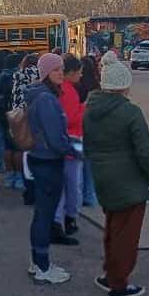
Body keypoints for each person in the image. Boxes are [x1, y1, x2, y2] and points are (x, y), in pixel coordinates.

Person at [83, 56, 149, 296]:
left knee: (113, 229)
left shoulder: (90, 110)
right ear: (124, 84)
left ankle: (110, 273)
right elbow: (144, 151)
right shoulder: (130, 112)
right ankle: (119, 284)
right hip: (130, 181)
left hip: (103, 178)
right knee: (127, 235)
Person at [25, 53, 74, 284]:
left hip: (40, 158)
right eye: (56, 70)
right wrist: (71, 148)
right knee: (45, 214)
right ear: (45, 73)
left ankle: (38, 261)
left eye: (62, 69)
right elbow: (55, 137)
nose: (61, 73)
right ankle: (43, 266)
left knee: (41, 213)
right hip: (48, 160)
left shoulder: (41, 95)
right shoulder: (46, 99)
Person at [53, 54, 85, 244]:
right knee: (74, 182)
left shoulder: (56, 89)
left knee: (61, 183)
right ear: (71, 73)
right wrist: (84, 108)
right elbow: (71, 118)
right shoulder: (70, 91)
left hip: (59, 141)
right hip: (74, 139)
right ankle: (70, 217)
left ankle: (58, 219)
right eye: (79, 73)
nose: (81, 76)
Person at [0, 52, 24, 189]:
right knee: (18, 148)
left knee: (7, 148)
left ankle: (9, 175)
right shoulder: (17, 76)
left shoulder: (1, 76)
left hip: (3, 116)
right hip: (16, 116)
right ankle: (18, 176)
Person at [78, 56, 100, 206]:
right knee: (89, 163)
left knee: (78, 163)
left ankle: (79, 195)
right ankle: (90, 195)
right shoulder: (95, 85)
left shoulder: (75, 85)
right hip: (92, 128)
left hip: (77, 127)